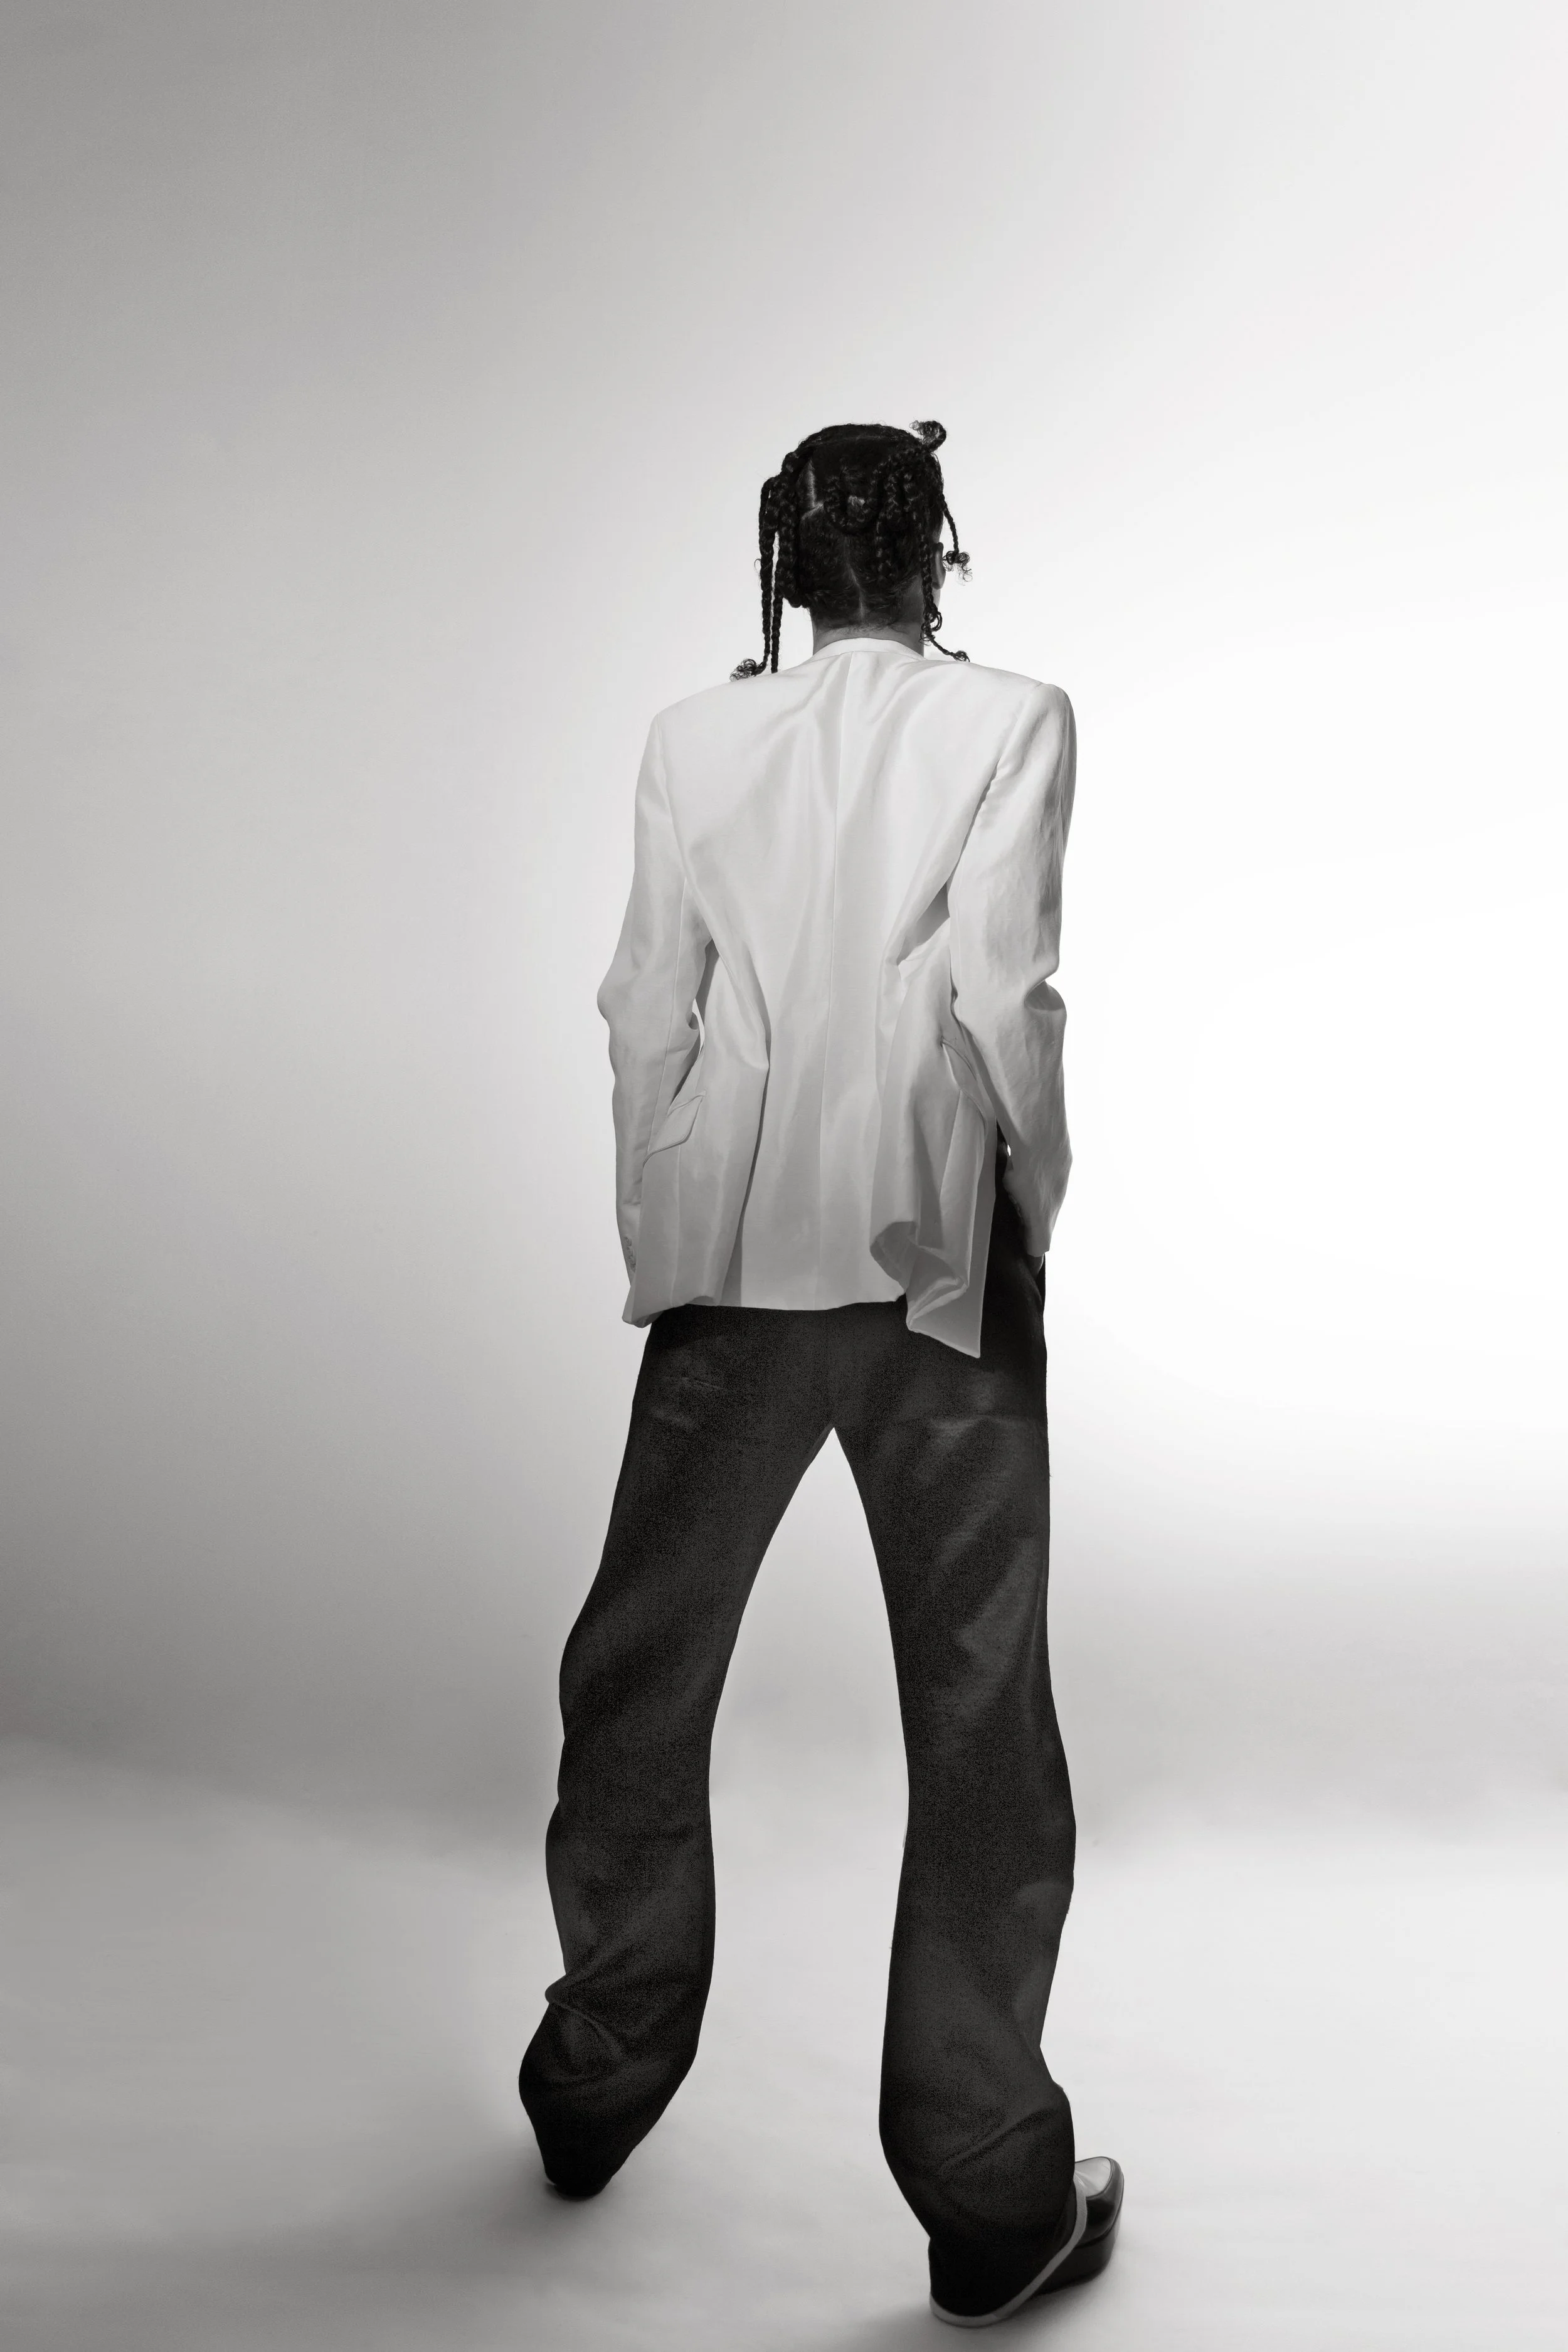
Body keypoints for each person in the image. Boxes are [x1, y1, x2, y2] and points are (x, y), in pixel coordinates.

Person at [519, 420, 1123, 2327]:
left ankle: (596, 2080)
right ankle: (988, 2192)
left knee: (639, 1667)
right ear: (938, 553)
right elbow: (1002, 991)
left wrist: (664, 1224)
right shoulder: (1014, 717)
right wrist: (1033, 1201)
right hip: (935, 1271)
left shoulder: (695, 736)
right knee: (978, 1717)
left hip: (737, 1267)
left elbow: (648, 1001)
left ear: (783, 565)